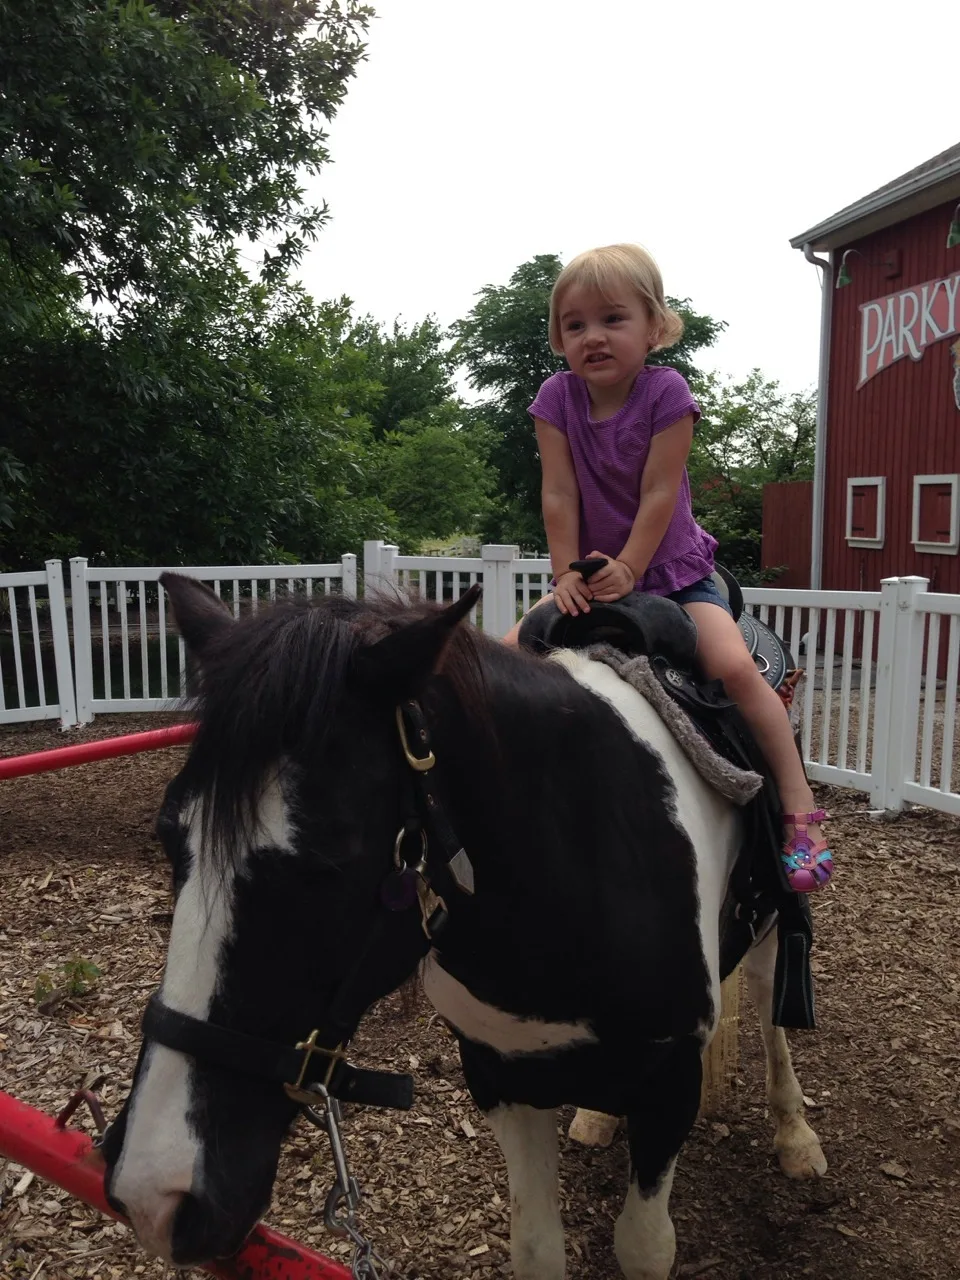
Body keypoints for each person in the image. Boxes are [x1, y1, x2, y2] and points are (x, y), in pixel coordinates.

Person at [503, 244, 832, 893]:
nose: (593, 336)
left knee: (735, 667)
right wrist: (568, 572)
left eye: (612, 319)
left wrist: (631, 565)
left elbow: (659, 492)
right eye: (575, 324)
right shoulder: (556, 399)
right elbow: (559, 494)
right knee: (502, 659)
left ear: (654, 328)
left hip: (672, 573)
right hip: (591, 575)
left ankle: (799, 810)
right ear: (558, 339)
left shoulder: (666, 391)